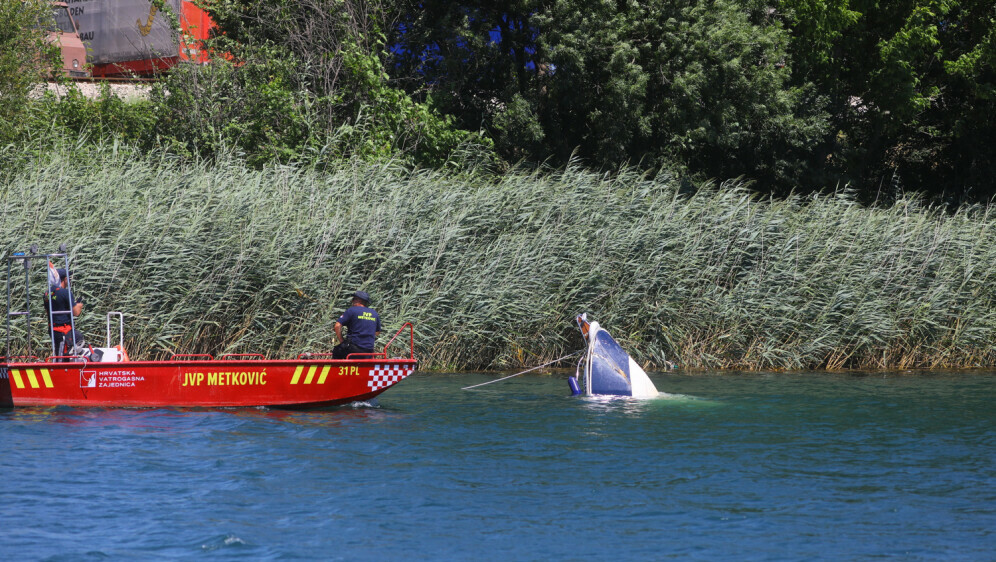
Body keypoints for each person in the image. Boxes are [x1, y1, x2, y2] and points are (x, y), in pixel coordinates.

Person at [332, 291, 381, 359]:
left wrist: (342, 341)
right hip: (369, 351)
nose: (352, 301)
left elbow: (337, 325)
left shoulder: (352, 310)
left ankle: (338, 366)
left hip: (353, 349)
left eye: (353, 299)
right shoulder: (374, 313)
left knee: (337, 351)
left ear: (358, 300)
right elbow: (377, 332)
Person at [48, 268, 84, 358]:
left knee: (59, 351)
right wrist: (79, 306)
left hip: (52, 328)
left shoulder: (47, 293)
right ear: (65, 279)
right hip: (63, 329)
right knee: (78, 339)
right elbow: (76, 313)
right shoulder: (65, 292)